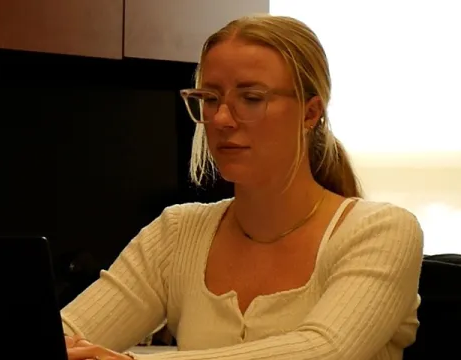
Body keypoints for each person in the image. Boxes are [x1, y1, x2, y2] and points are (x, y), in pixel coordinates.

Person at [60, 15, 424, 360]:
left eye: (251, 98)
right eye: (210, 98)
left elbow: (325, 350)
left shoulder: (381, 231)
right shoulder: (176, 233)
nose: (220, 119)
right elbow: (61, 334)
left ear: (311, 113)